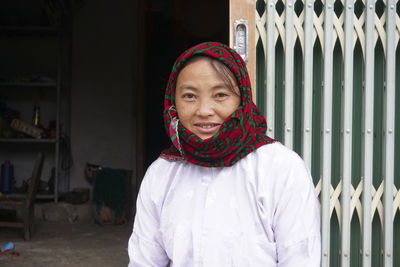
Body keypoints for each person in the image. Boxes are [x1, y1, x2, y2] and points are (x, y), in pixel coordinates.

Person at [128, 42, 321, 266]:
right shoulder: (161, 174)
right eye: (189, 96)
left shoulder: (281, 169)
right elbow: (145, 260)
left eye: (220, 95)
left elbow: (300, 258)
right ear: (173, 102)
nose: (204, 110)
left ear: (243, 99)